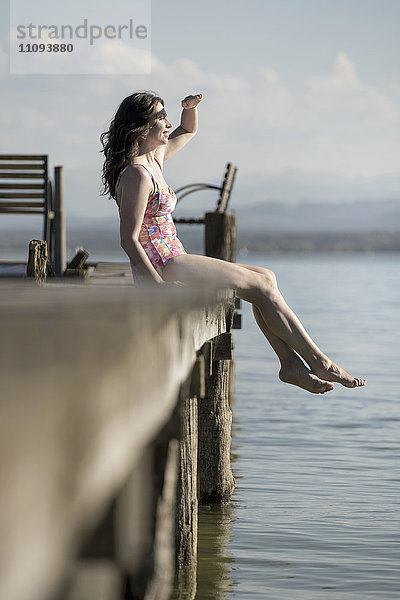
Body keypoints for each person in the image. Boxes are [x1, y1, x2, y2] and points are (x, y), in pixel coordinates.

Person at [101, 91, 366, 394]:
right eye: (161, 116)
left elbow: (188, 130)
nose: (167, 121)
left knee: (266, 278)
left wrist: (189, 108)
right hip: (165, 267)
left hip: (175, 258)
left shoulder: (154, 159)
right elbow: (128, 239)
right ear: (141, 126)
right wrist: (157, 285)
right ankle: (320, 362)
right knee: (263, 288)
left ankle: (290, 364)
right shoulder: (137, 173)